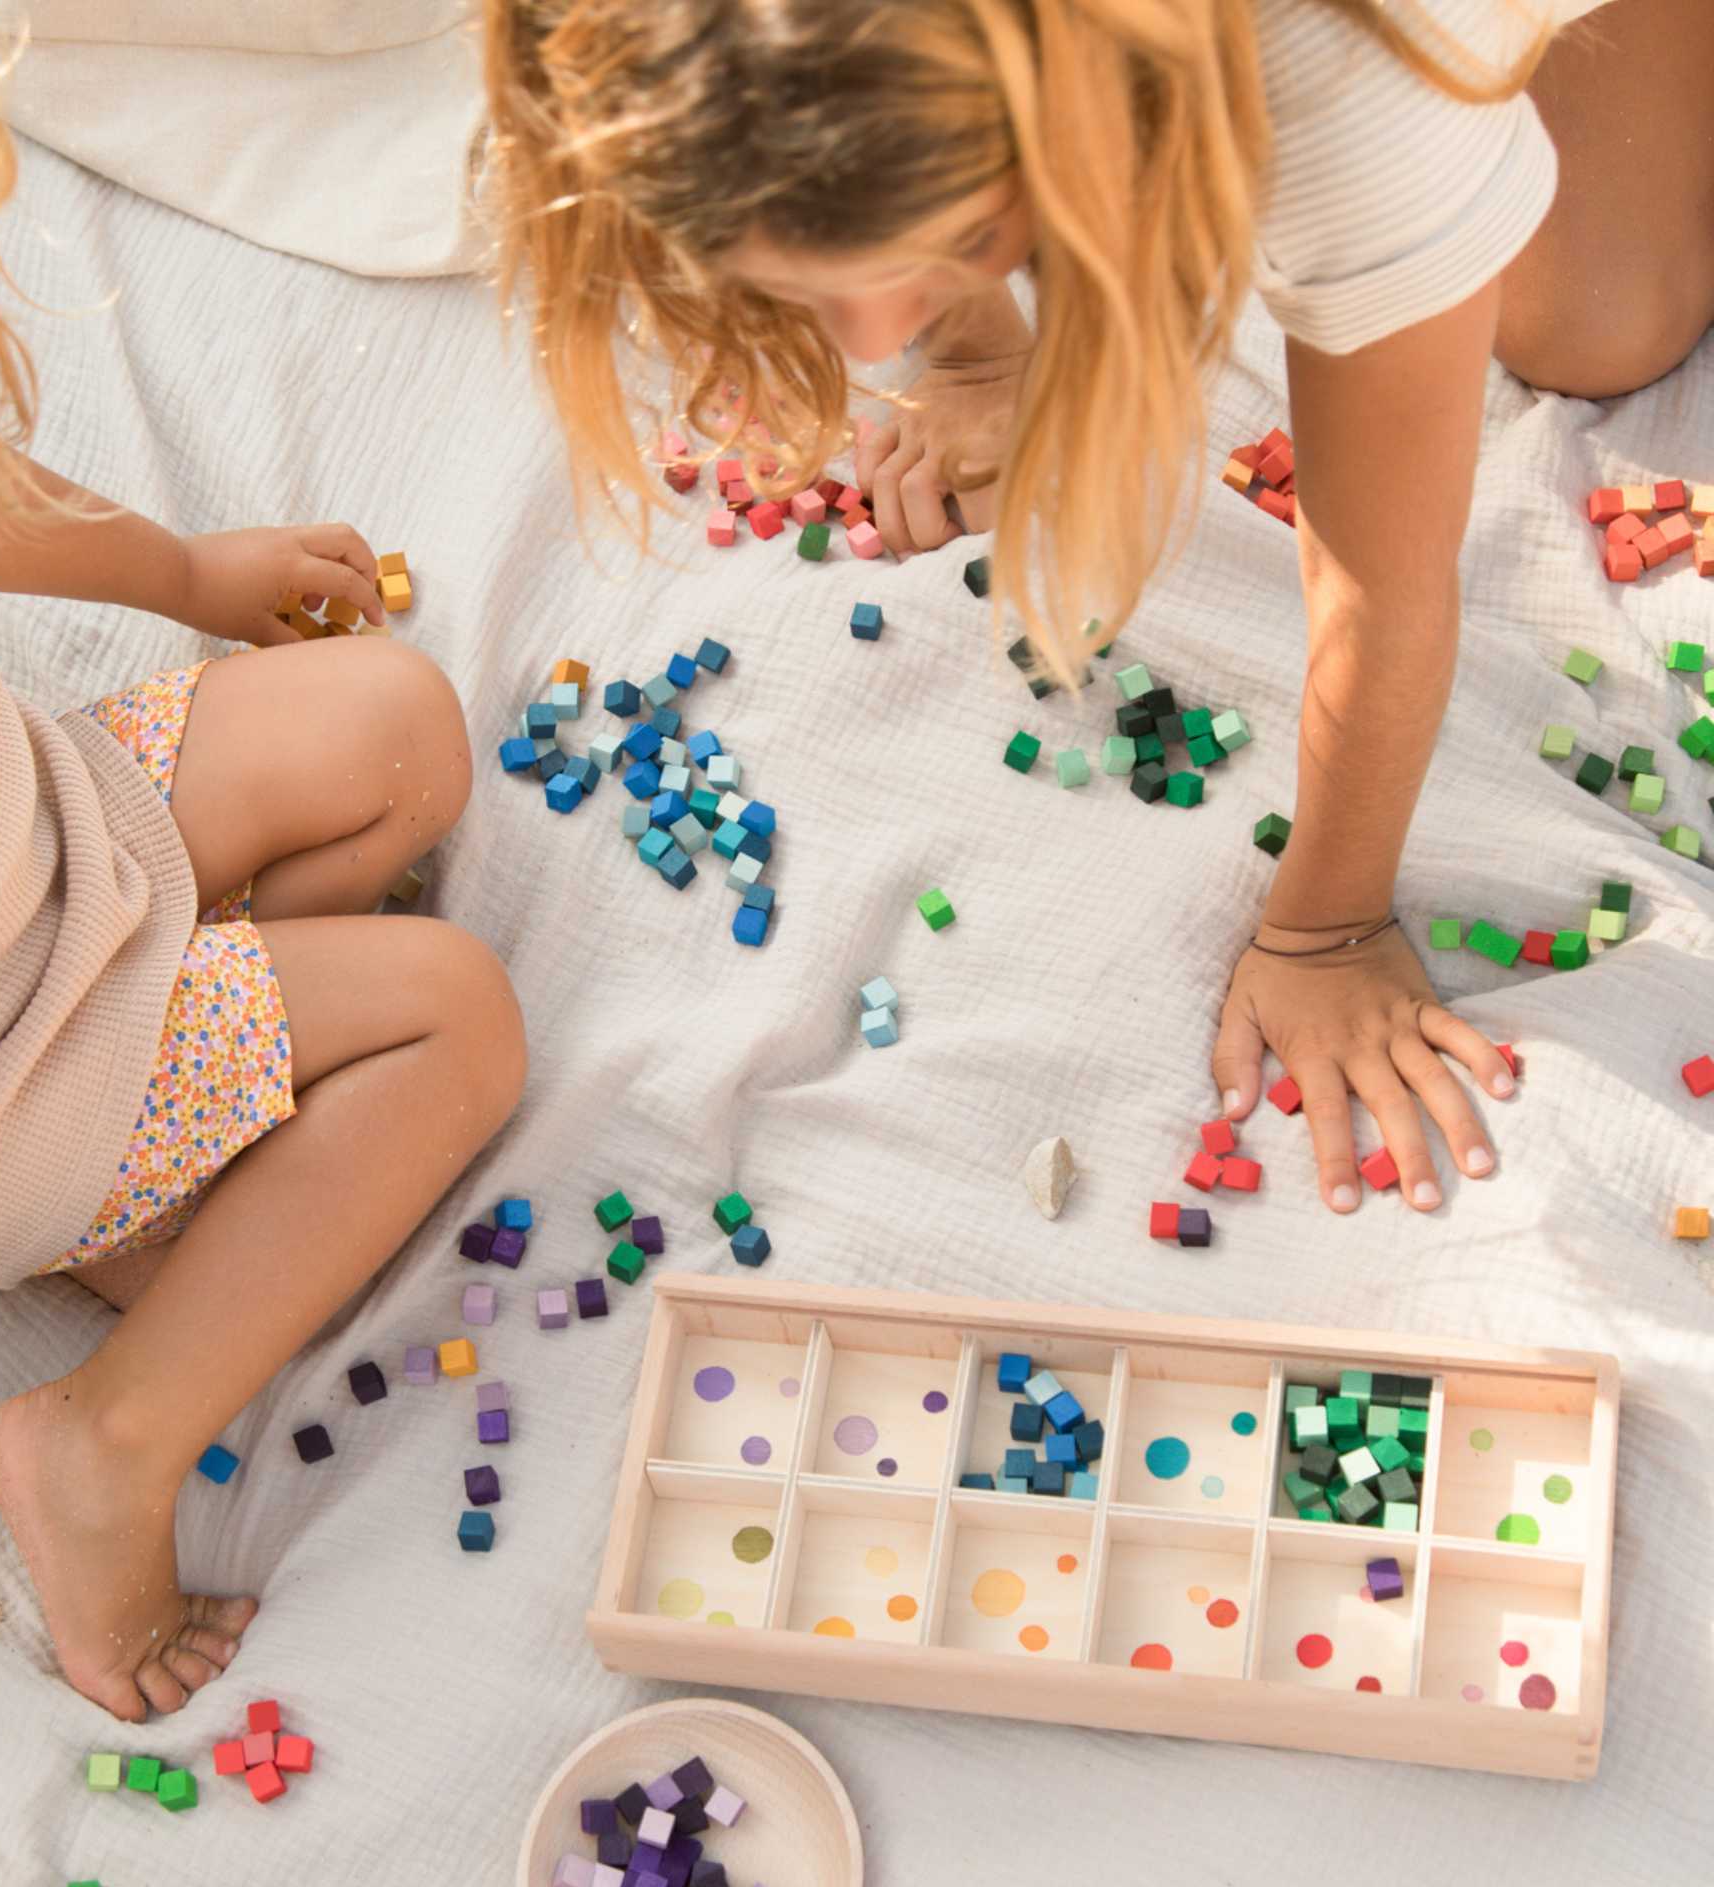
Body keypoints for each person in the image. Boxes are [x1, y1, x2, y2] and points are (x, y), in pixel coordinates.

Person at [0, 0, 526, 1723]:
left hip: (45, 841)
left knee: (393, 722)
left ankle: (192, 1148)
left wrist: (184, 576)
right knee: (455, 1014)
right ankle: (105, 1438)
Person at [482, 0, 1692, 1214]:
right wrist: (968, 340)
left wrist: (1324, 923)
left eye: (958, 235)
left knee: (1595, 329)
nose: (871, 336)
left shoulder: (1343, 93)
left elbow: (1381, 573)